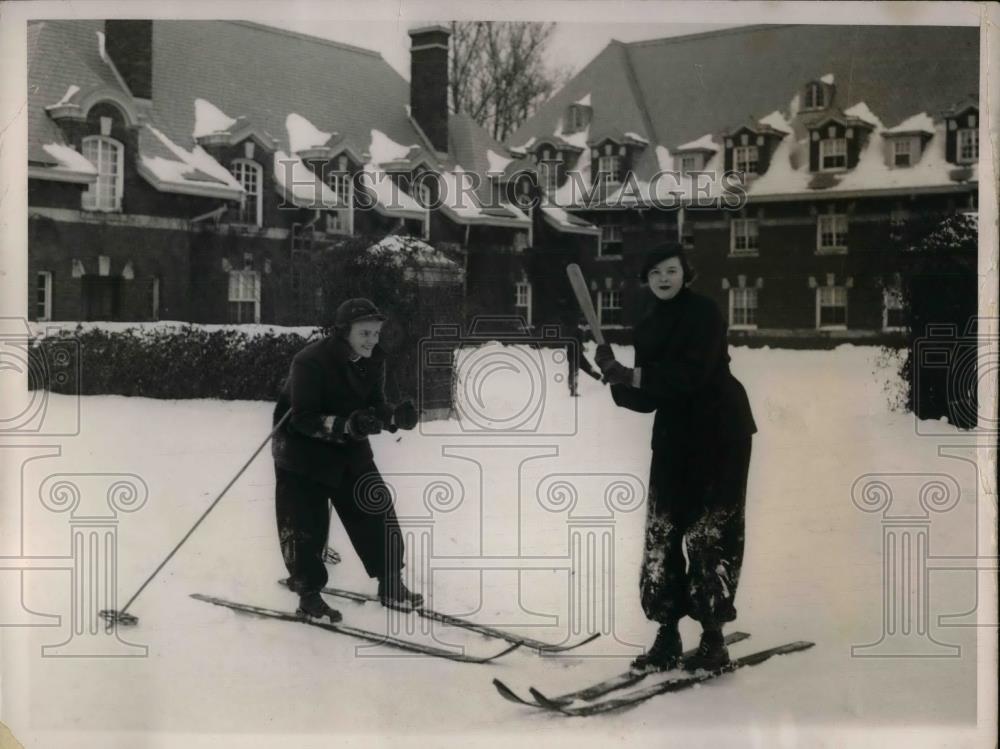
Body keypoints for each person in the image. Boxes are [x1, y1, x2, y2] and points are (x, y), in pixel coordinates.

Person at [593, 243, 757, 673]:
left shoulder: (704, 313)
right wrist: (614, 376)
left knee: (708, 535)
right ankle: (666, 634)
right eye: (655, 273)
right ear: (646, 280)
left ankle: (713, 638)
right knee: (662, 534)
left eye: (670, 270)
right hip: (673, 436)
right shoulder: (648, 323)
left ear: (686, 272)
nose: (663, 279)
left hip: (721, 433)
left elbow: (693, 375)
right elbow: (651, 397)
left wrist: (635, 374)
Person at [271, 298, 423, 622]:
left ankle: (391, 583)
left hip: (348, 445)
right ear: (343, 332)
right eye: (365, 333)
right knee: (305, 524)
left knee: (375, 506)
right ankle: (309, 595)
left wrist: (394, 415)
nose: (372, 340)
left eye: (376, 333)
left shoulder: (373, 360)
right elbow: (303, 418)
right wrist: (346, 424)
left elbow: (375, 404)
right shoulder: (309, 361)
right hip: (302, 450)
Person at [565, 319, 602, 397]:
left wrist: (582, 348)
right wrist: (582, 349)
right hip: (575, 355)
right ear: (583, 326)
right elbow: (575, 344)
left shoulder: (577, 332)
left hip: (575, 354)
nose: (587, 329)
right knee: (577, 371)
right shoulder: (579, 332)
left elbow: (575, 343)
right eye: (587, 327)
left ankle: (600, 378)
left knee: (582, 369)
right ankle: (573, 389)